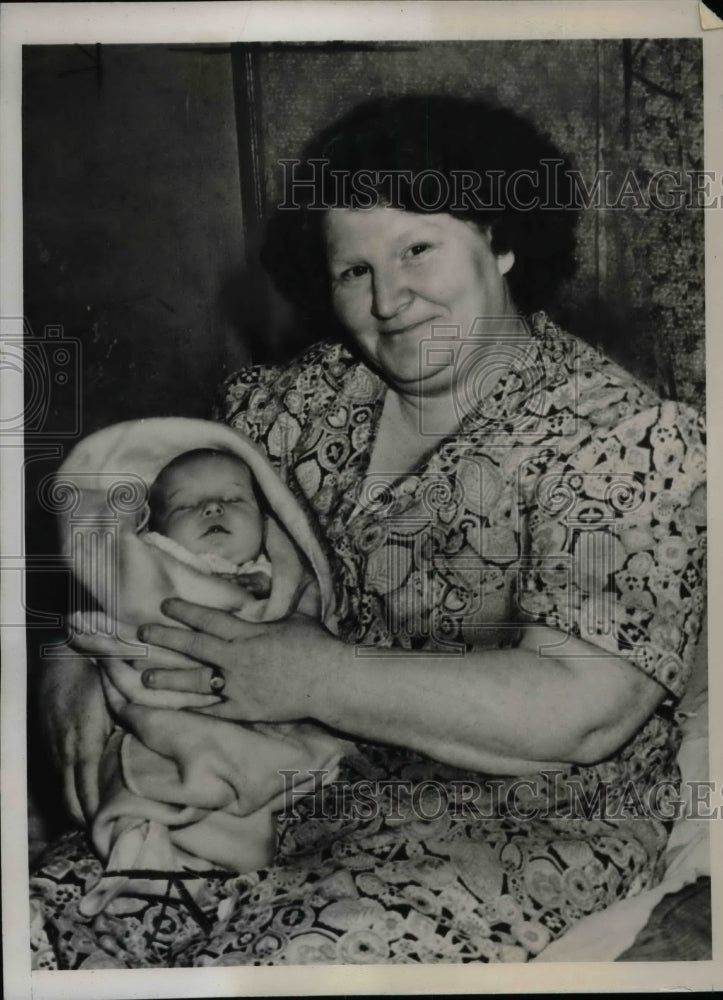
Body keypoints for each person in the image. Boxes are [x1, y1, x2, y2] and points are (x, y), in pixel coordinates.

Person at [30, 95, 706, 968]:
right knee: (49, 935)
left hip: (511, 824)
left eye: (416, 249)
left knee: (300, 968)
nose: (388, 299)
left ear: (499, 241)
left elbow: (581, 711)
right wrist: (72, 677)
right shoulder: (285, 405)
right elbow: (131, 565)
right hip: (255, 784)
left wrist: (311, 674)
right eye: (353, 272)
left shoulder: (624, 438)